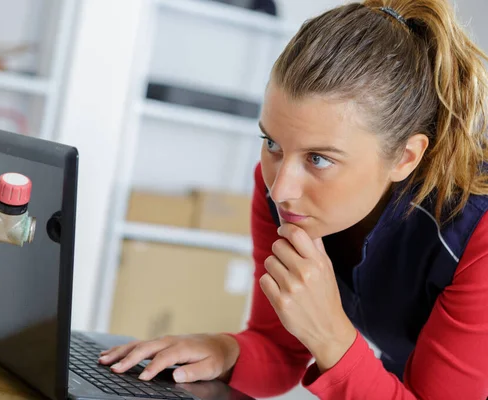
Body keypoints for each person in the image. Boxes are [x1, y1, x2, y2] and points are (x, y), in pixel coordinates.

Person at [99, 0, 488, 398]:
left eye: (318, 159)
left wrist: (332, 338)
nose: (280, 188)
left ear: (405, 157)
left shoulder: (476, 236)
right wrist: (225, 350)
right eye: (272, 143)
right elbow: (280, 349)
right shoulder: (283, 189)